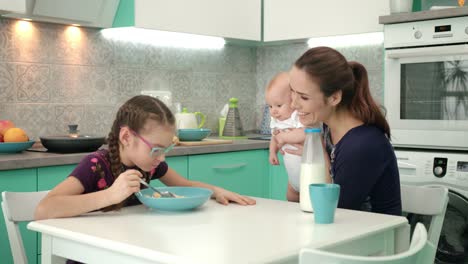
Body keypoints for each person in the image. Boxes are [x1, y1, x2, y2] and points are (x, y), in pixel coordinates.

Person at [35, 95, 256, 221]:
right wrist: (110, 195)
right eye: (156, 149)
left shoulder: (149, 165)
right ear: (126, 137)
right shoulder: (95, 166)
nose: (161, 158)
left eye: (165, 149)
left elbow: (185, 185)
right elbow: (43, 209)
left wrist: (216, 191)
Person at [285, 46, 401, 216]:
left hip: (375, 238)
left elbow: (330, 211)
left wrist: (319, 154)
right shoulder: (326, 129)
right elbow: (295, 198)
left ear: (334, 98)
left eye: (303, 97)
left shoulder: (363, 145)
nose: (293, 104)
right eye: (292, 92)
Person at [265, 72, 305, 202]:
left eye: (278, 105)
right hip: (292, 180)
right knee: (290, 201)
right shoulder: (277, 121)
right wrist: (272, 152)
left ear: (293, 101)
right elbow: (274, 138)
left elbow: (306, 133)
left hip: (307, 177)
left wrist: (284, 137)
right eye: (270, 106)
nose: (273, 111)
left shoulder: (298, 116)